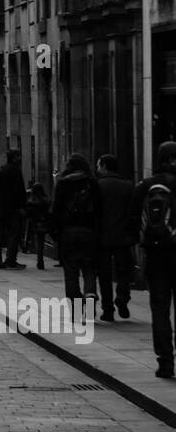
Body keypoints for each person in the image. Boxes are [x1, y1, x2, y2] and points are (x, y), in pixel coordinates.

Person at [127, 141, 176, 379]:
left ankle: (165, 362)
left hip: (156, 256)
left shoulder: (145, 186)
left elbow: (132, 220)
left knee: (160, 309)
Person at [49, 154, 101, 318]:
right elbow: (100, 208)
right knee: (89, 268)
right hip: (89, 231)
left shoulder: (63, 183)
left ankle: (78, 311)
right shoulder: (92, 182)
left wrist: (55, 233)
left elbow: (55, 210)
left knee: (71, 272)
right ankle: (90, 294)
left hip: (68, 232)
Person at [95, 154, 134, 323]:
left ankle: (108, 309)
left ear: (103, 166)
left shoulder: (96, 185)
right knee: (124, 270)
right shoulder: (128, 185)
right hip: (123, 236)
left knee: (104, 275)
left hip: (102, 237)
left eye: (98, 165)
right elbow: (133, 212)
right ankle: (122, 297)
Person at [0, 150, 28, 269]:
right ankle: (10, 260)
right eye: (18, 156)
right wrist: (20, 207)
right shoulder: (15, 170)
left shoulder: (2, 171)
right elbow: (17, 191)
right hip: (12, 209)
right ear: (14, 158)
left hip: (2, 209)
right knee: (13, 235)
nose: (20, 158)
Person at [24, 182, 51, 270]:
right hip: (43, 223)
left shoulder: (32, 201)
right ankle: (40, 261)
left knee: (37, 242)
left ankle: (39, 260)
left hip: (35, 224)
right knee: (41, 243)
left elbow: (28, 213)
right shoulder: (46, 200)